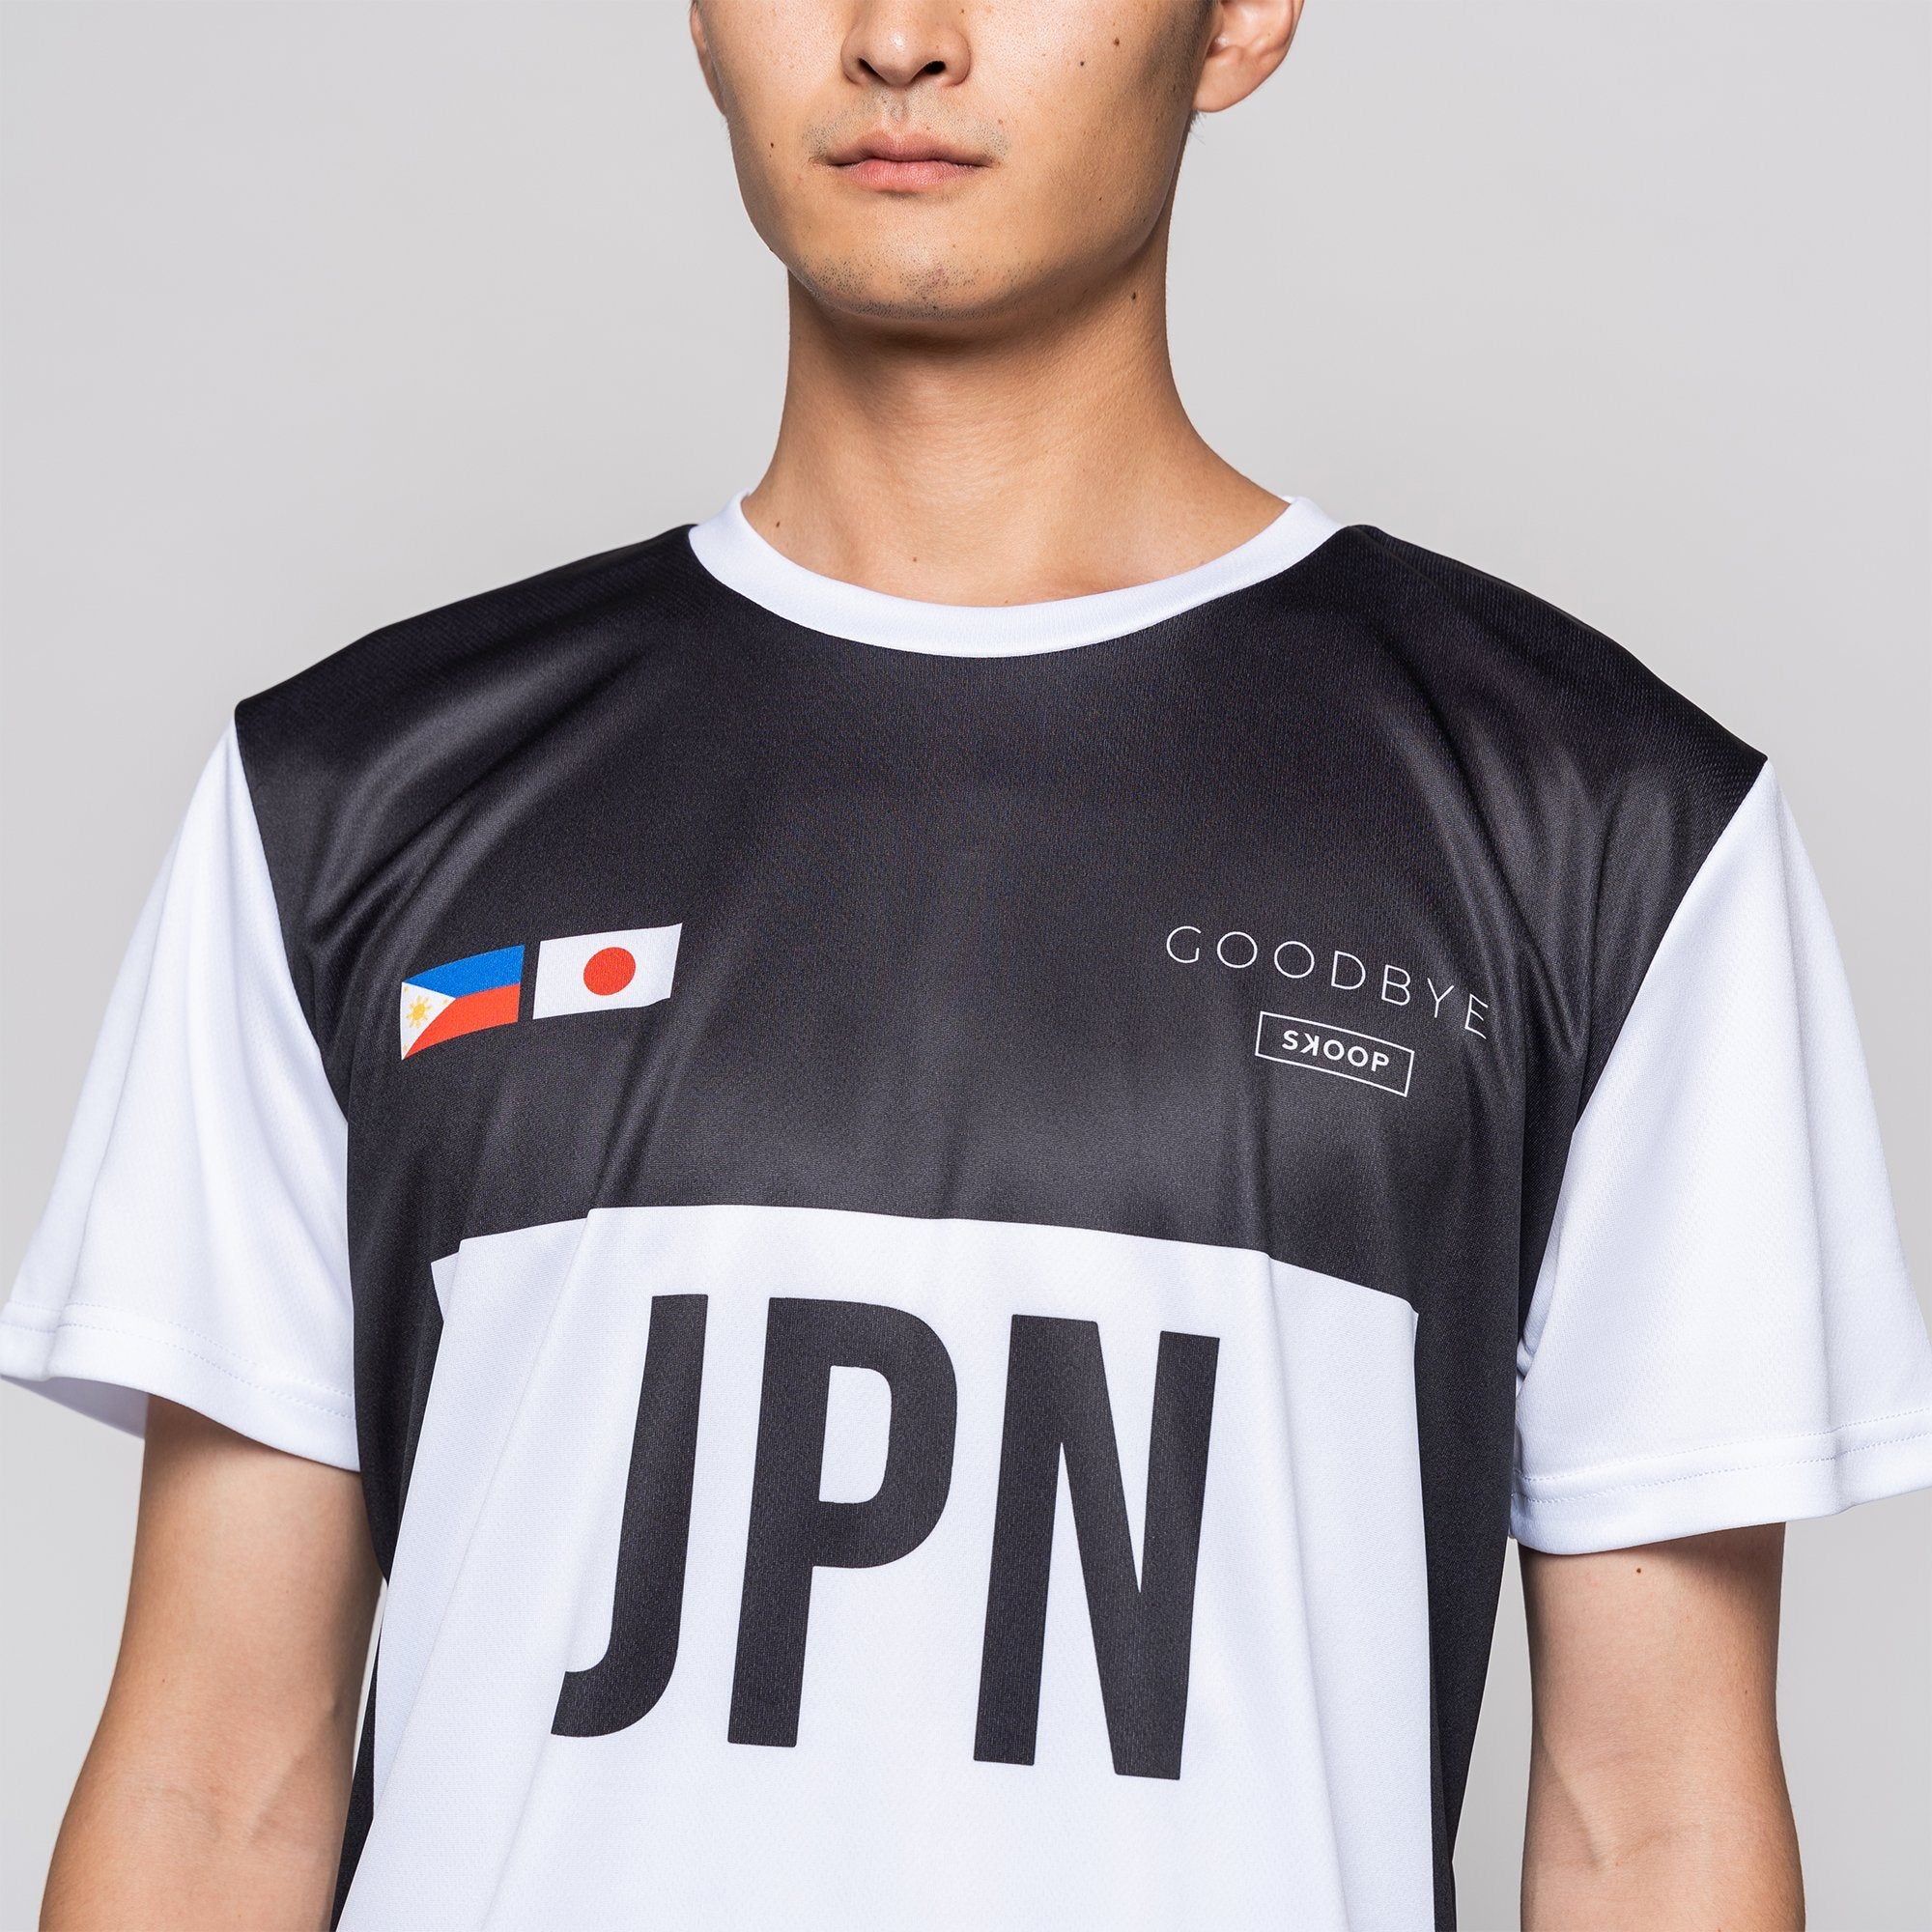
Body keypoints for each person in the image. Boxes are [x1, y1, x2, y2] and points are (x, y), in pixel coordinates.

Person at [6, 2, 1929, 1926]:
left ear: (1238, 21)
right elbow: (211, 1784)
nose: (900, 40)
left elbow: (1648, 1816)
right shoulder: (348, 798)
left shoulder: (1601, 828)